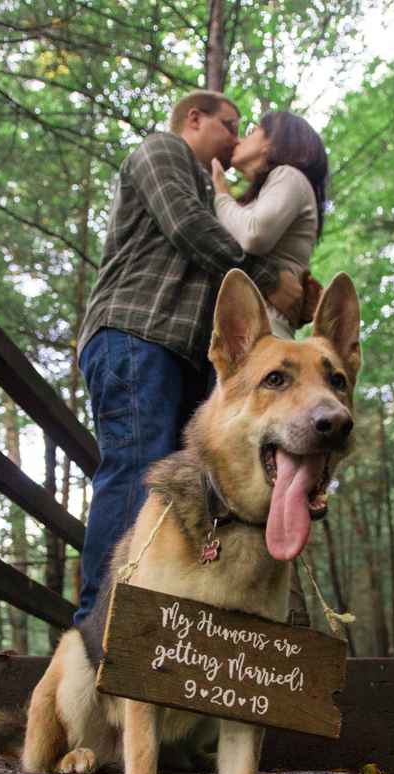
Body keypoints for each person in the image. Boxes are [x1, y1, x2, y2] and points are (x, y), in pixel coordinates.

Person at [73, 91, 304, 624]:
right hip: (136, 332)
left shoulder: (210, 188)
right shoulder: (161, 151)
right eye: (229, 125)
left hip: (181, 355)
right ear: (194, 120)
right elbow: (185, 226)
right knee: (137, 468)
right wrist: (268, 280)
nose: (235, 138)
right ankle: (103, 624)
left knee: (186, 485)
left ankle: (169, 621)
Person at [211, 111, 328, 340]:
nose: (239, 140)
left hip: (264, 335)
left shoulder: (290, 176)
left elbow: (254, 235)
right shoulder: (268, 193)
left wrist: (221, 193)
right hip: (246, 332)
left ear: (273, 141)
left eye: (252, 131)